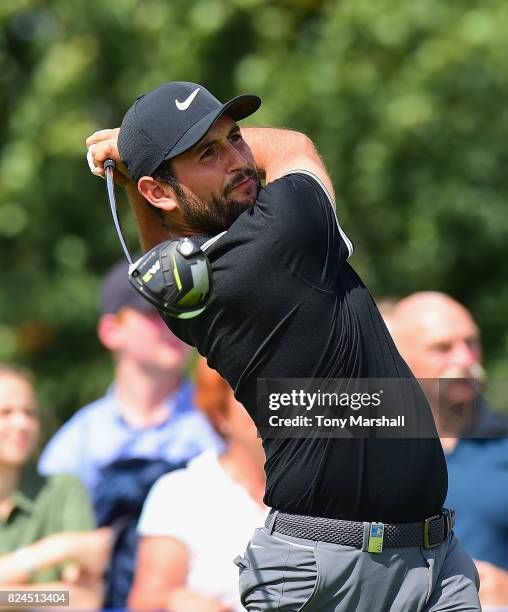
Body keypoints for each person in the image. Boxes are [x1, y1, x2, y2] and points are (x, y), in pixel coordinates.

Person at [86, 81, 480, 610]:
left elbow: (168, 246)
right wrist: (125, 150)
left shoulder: (181, 294)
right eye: (208, 152)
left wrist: (135, 169)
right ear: (159, 191)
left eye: (235, 138)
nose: (238, 160)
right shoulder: (284, 233)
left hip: (432, 557)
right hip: (329, 574)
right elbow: (293, 146)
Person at [38, 259, 223, 498]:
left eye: (180, 309)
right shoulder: (77, 443)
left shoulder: (226, 418)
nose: (174, 323)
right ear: (111, 331)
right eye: (154, 312)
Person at [390, 291, 508, 608]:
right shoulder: (365, 455)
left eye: (471, 342)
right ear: (397, 357)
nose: (466, 361)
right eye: (443, 348)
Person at [128, 358, 267, 612]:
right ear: (220, 413)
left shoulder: (338, 489)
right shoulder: (179, 492)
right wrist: (176, 601)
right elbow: (147, 602)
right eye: (254, 389)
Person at [0, 364, 111, 608]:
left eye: (30, 413)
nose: (22, 423)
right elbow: (64, 597)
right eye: (5, 413)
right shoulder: (59, 546)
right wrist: (53, 551)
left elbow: (84, 600)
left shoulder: (63, 490)